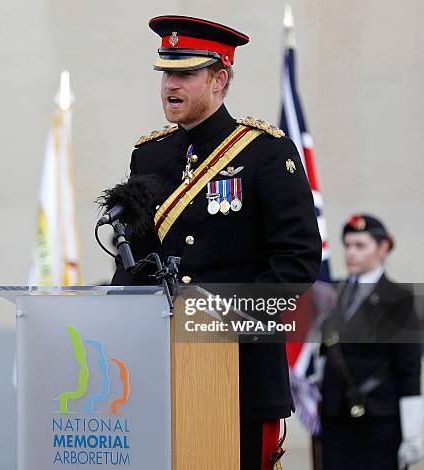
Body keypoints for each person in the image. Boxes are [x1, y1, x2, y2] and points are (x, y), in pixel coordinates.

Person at [111, 15, 321, 470]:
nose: (171, 83)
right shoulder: (149, 154)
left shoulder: (265, 152)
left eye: (185, 72)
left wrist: (224, 324)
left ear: (219, 78)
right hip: (163, 371)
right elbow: (134, 260)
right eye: (167, 72)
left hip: (240, 372)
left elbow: (297, 260)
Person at [320, 214, 422, 470]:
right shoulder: (332, 292)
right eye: (347, 245)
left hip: (379, 421)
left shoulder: (399, 299)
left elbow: (409, 369)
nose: (350, 253)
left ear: (383, 247)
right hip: (335, 419)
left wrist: (413, 434)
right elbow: (324, 355)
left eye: (360, 246)